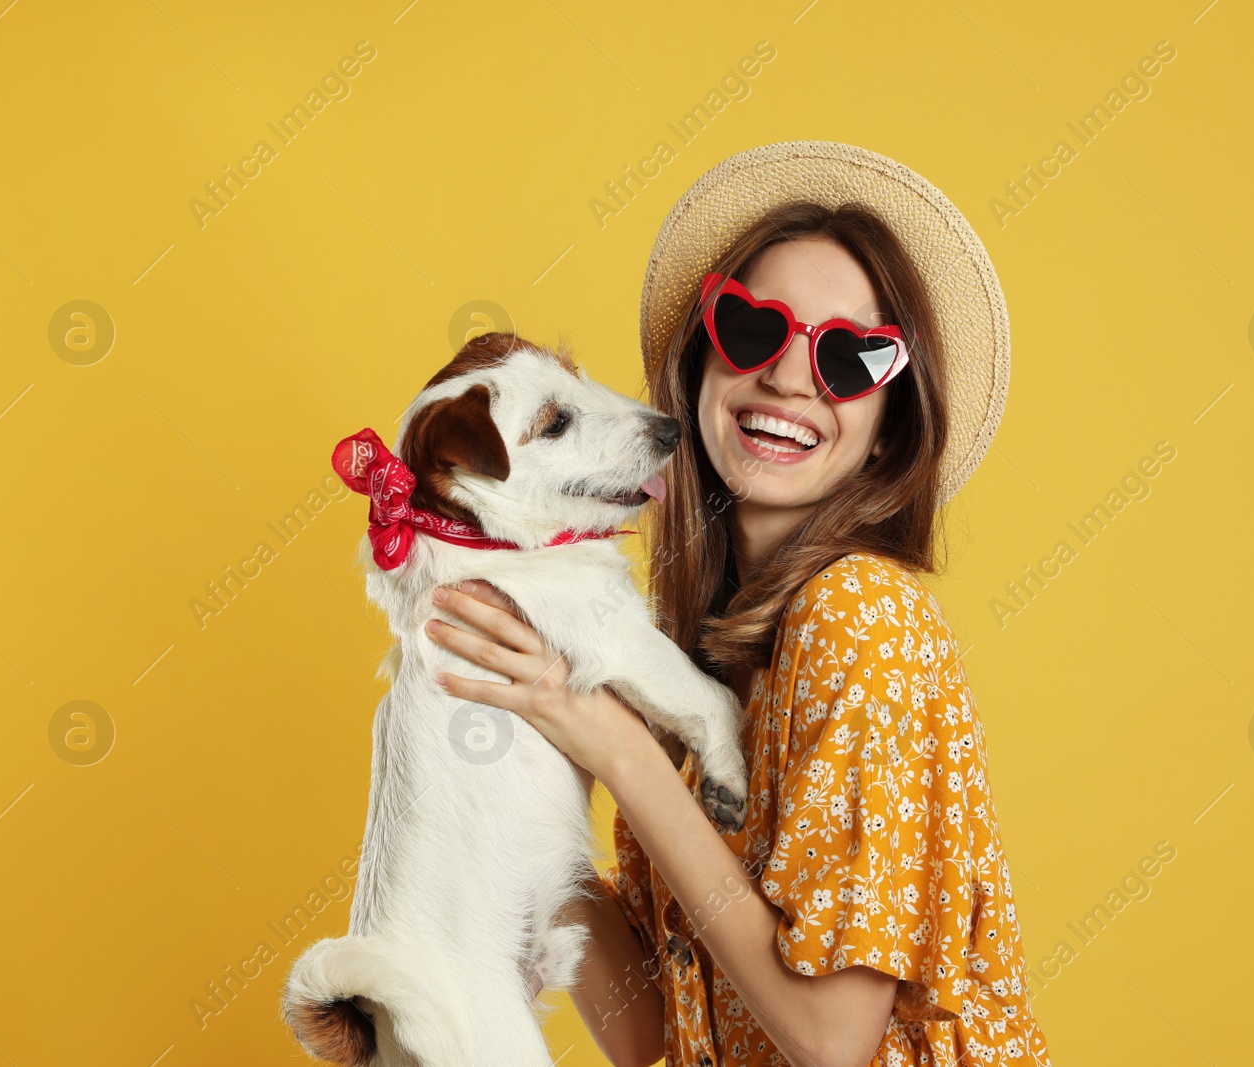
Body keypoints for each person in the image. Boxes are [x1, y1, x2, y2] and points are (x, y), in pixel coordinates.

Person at [423, 142, 1049, 1066]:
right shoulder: (693, 653)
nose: (791, 377)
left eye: (847, 359)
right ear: (702, 364)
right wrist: (520, 768)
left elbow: (831, 1041)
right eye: (754, 329)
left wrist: (609, 740)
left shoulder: (863, 616)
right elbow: (651, 1035)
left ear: (888, 432)